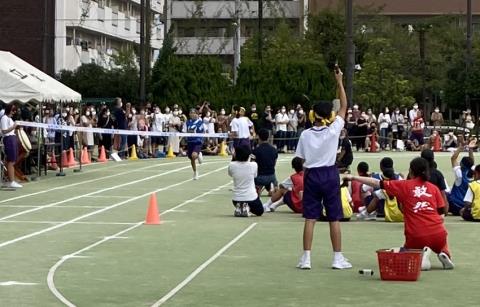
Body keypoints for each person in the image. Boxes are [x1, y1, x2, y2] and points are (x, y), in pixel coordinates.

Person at [345, 157, 454, 271]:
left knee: (407, 252)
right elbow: (441, 214)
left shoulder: (404, 185)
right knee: (442, 244)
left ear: (411, 172)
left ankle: (422, 257)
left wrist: (353, 177)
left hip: (416, 235)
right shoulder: (434, 188)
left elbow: (377, 183)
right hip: (438, 234)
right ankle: (444, 253)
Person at [295, 65, 352, 270]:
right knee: (334, 217)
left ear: (313, 114)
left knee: (310, 218)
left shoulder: (305, 134)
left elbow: (300, 160)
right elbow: (345, 106)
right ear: (329, 115)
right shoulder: (334, 129)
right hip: (329, 174)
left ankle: (306, 258)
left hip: (312, 174)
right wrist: (339, 82)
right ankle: (337, 258)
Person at [228, 145, 264, 217]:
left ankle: (240, 207)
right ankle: (247, 207)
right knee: (260, 211)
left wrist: (234, 158)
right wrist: (252, 160)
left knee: (239, 201)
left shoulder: (231, 165)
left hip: (236, 199)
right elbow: (255, 175)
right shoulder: (254, 165)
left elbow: (230, 174)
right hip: (251, 197)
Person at [448, 139, 476, 215]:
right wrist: (470, 149)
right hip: (465, 207)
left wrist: (460, 147)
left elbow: (453, 159)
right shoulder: (474, 174)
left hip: (454, 206)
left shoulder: (459, 173)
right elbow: (472, 162)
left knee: (445, 192)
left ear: (462, 164)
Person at [421, 149, 449, 215]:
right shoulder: (438, 174)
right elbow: (443, 194)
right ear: (433, 159)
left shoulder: (415, 173)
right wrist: (445, 209)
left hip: (418, 208)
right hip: (434, 208)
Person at [1, 104, 22, 188]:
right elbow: (4, 131)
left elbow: (12, 129)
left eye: (15, 110)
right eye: (13, 110)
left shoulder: (10, 119)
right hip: (8, 139)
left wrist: (17, 127)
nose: (14, 112)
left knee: (13, 160)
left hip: (12, 138)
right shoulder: (4, 118)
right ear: (9, 110)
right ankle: (11, 181)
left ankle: (12, 179)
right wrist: (14, 126)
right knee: (11, 160)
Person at [252, 128, 278, 196]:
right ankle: (272, 189)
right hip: (271, 176)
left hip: (259, 177)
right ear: (268, 137)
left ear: (259, 137)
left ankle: (258, 188)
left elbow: (252, 165)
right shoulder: (274, 150)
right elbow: (274, 164)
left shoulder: (255, 151)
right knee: (272, 179)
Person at [184, 108, 204, 180]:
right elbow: (184, 131)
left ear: (197, 114)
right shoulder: (187, 122)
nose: (192, 114)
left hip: (197, 141)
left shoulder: (200, 122)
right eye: (191, 113)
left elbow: (202, 132)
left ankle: (198, 153)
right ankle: (195, 172)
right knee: (191, 159)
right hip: (190, 142)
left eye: (194, 113)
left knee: (194, 155)